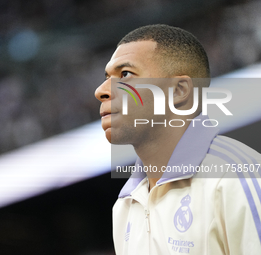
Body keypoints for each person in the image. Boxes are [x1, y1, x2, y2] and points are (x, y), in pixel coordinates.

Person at [95, 24, 261, 254]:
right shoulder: (125, 206)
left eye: (125, 74)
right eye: (107, 77)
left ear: (179, 91)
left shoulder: (238, 177)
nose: (101, 90)